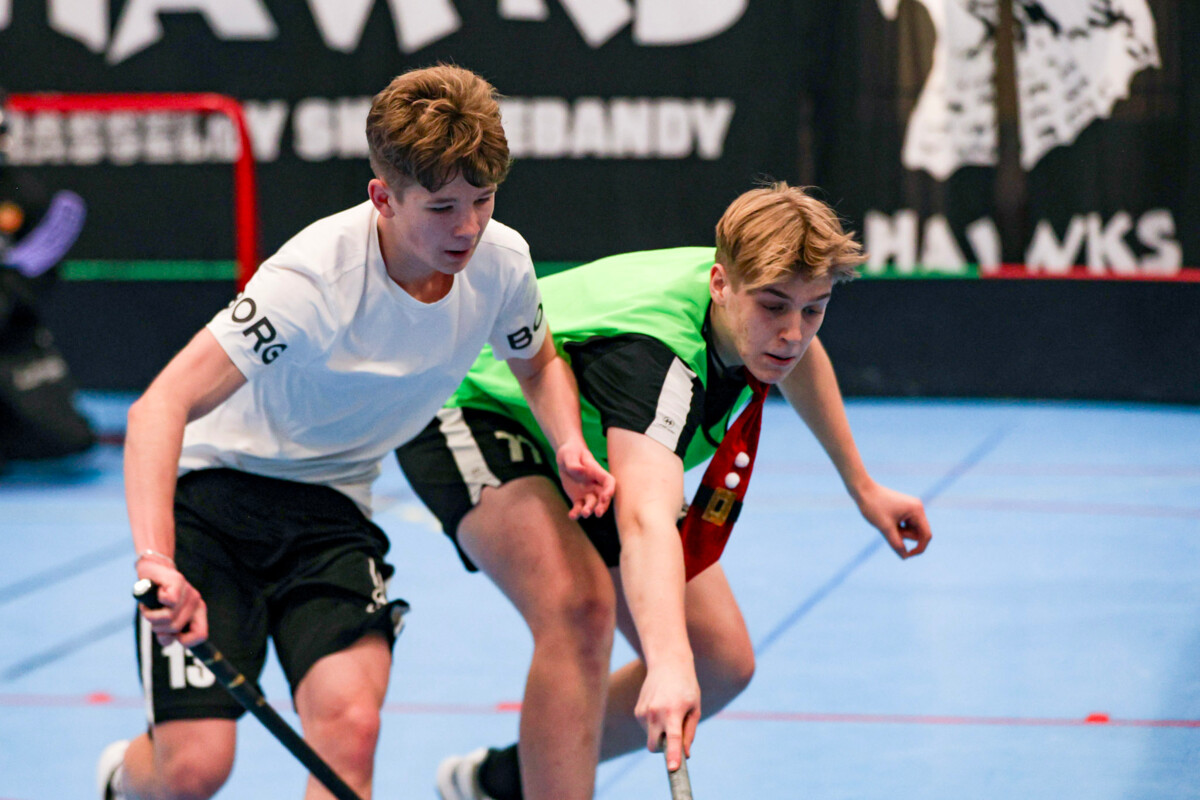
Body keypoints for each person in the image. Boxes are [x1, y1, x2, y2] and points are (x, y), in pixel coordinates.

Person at [96, 64, 613, 800]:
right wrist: (157, 560)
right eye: (441, 207)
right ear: (383, 198)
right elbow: (158, 408)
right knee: (194, 770)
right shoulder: (311, 281)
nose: (467, 227)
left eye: (482, 200)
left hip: (333, 510)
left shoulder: (501, 263)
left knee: (350, 732)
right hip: (213, 502)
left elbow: (538, 362)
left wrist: (566, 442)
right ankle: (124, 777)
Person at [395, 182, 933, 800]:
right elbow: (646, 519)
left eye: (814, 310)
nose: (792, 333)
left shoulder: (757, 297)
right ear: (720, 284)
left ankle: (508, 779)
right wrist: (667, 663)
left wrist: (863, 486)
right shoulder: (656, 361)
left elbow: (803, 358)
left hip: (590, 438)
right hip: (476, 404)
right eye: (775, 307)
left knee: (720, 660)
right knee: (579, 610)